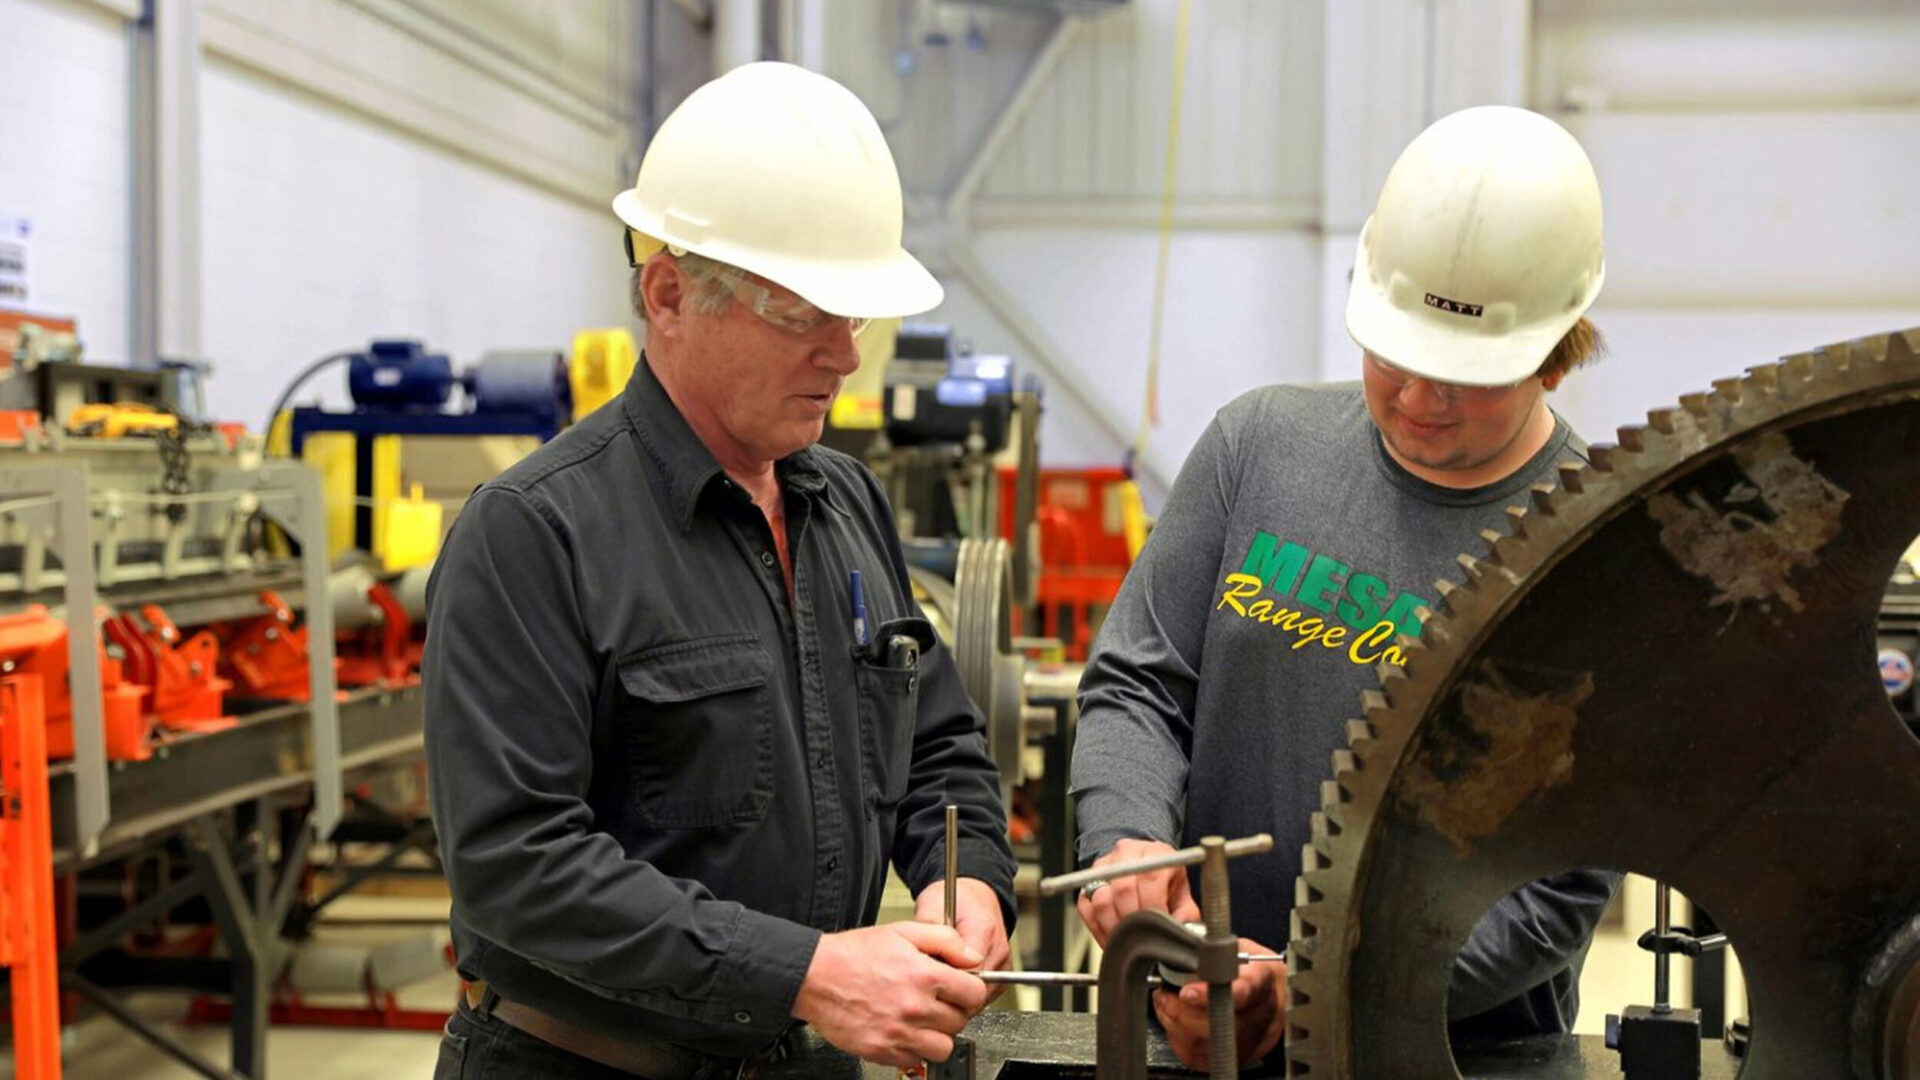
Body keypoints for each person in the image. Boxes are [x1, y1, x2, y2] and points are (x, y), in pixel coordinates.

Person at [423, 61, 1017, 1080]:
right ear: (669, 295)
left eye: (856, 317)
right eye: (804, 314)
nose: (844, 355)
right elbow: (514, 866)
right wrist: (808, 974)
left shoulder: (847, 505)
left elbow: (939, 743)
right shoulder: (533, 533)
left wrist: (965, 885)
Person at [1069, 104, 1624, 1070]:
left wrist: (1323, 984)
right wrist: (1128, 847)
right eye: (1392, 359)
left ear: (1555, 343)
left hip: (1458, 1054)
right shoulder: (1258, 448)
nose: (1416, 400)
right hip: (1202, 1029)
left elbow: (1556, 893)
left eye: (1461, 376)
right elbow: (1139, 685)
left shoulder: (1596, 551)